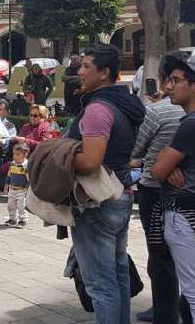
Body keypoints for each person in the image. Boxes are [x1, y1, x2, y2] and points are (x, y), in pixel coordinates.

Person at [68, 43, 145, 324]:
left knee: (101, 284)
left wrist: (55, 156)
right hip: (121, 194)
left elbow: (90, 161)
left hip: (97, 200)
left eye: (86, 66)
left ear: (104, 73)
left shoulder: (98, 109)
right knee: (118, 273)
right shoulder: (125, 103)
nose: (80, 71)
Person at [130, 51, 190, 324]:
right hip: (191, 191)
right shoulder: (194, 113)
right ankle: (185, 307)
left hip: (155, 190)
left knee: (160, 255)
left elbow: (136, 151)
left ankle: (165, 311)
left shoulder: (157, 112)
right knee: (189, 256)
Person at [150, 54, 195, 323]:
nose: (169, 86)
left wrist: (164, 162)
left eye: (176, 80)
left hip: (187, 214)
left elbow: (157, 170)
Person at [4, 143, 30, 228]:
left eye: (18, 154)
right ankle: (12, 219)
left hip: (21, 190)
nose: (15, 156)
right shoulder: (12, 164)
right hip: (12, 189)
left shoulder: (26, 166)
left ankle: (23, 220)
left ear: (25, 154)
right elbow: (9, 175)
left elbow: (28, 179)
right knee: (10, 205)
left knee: (21, 206)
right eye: (14, 154)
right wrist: (6, 186)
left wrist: (27, 189)